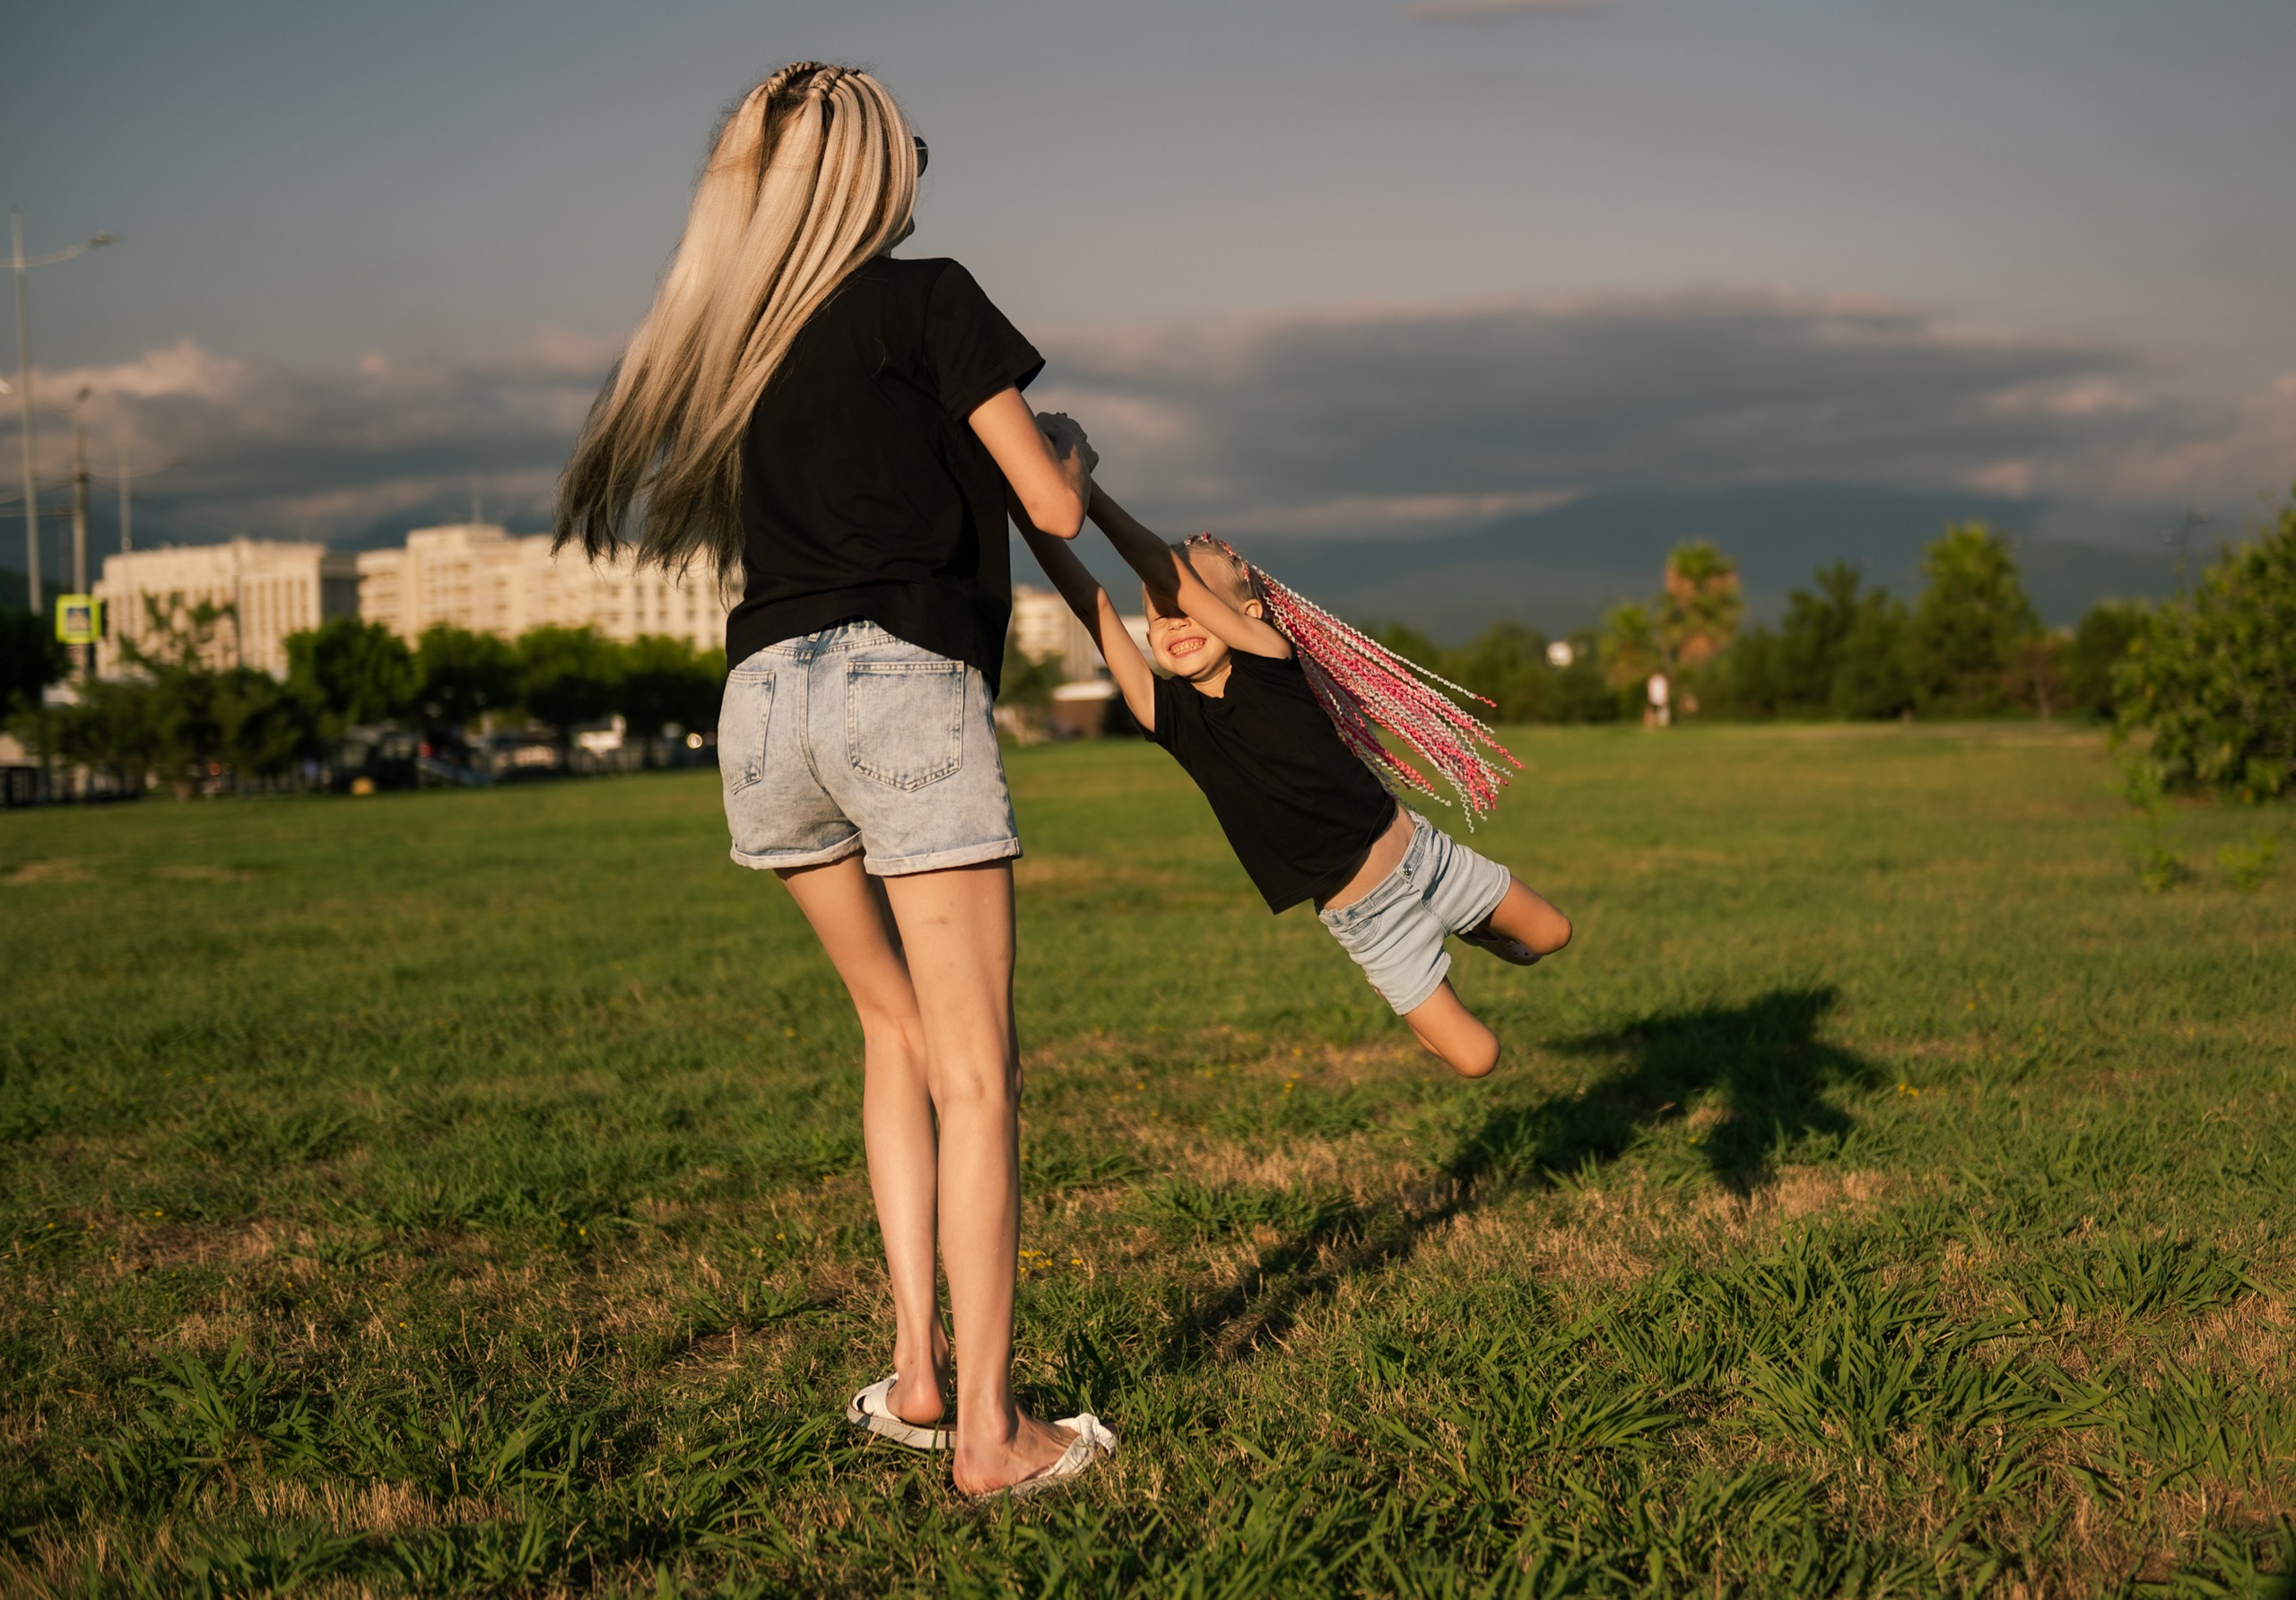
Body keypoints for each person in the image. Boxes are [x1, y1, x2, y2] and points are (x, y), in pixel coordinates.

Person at [554, 63, 1113, 1499]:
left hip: (761, 708)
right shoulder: (930, 301)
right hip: (900, 687)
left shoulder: (740, 344)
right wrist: (1067, 447)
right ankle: (992, 1437)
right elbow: (1050, 503)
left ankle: (918, 1375)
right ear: (873, 169)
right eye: (909, 141)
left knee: (891, 1028)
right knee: (977, 1070)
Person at [1015, 426, 1572, 1076]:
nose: (1176, 620)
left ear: (1248, 614)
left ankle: (1472, 926)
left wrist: (1088, 489)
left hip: (1425, 855)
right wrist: (1032, 504)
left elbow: (1166, 572)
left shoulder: (1269, 660)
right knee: (1478, 1058)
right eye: (1161, 615)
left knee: (1553, 934)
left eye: (1193, 606)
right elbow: (1092, 604)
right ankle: (1414, 990)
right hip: (1369, 918)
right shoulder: (1169, 716)